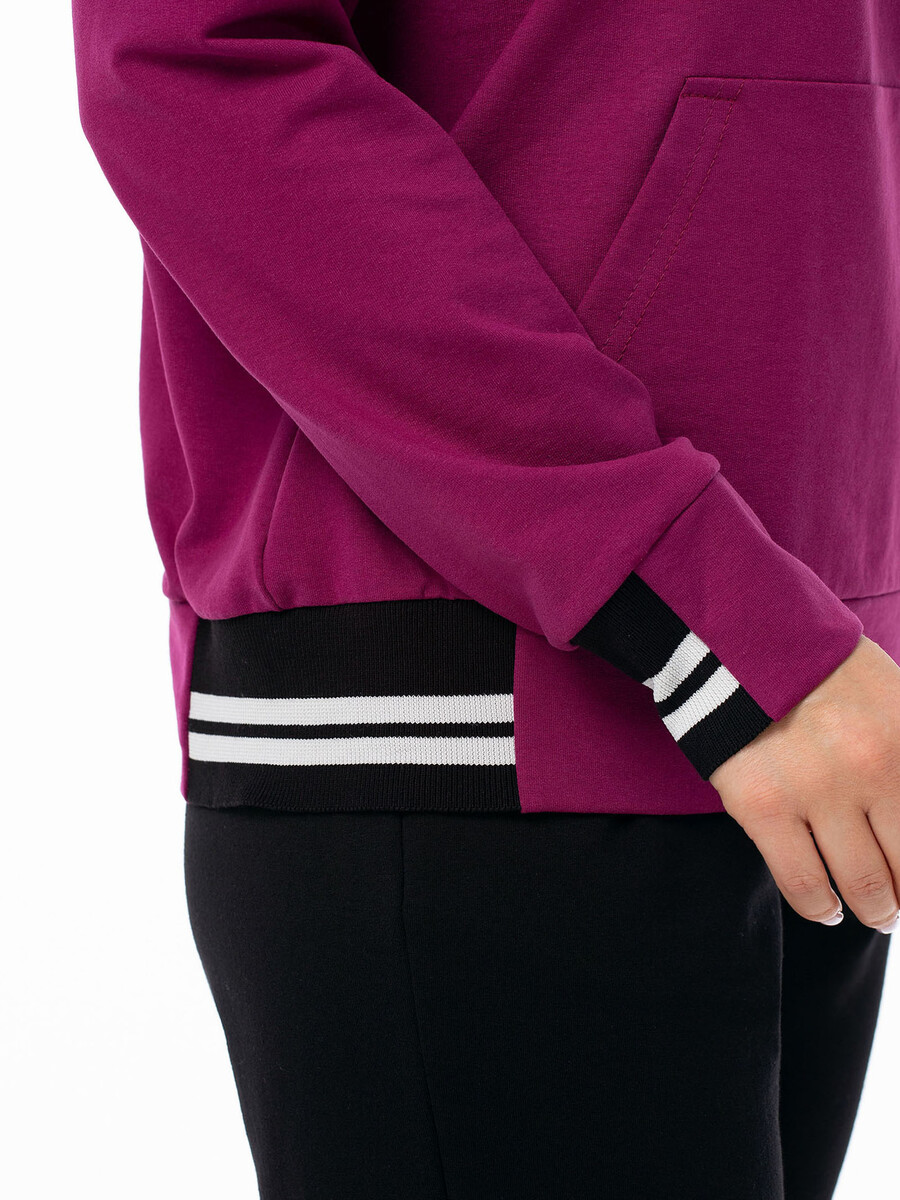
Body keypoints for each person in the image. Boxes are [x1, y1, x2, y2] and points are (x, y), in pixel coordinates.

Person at [72, 2, 900, 1196]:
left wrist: (801, 639)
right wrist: (722, 617)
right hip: (472, 716)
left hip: (819, 711)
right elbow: (192, 63)